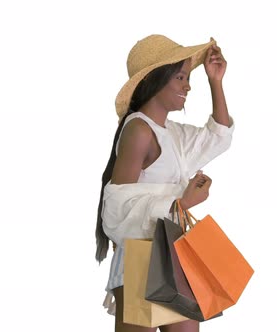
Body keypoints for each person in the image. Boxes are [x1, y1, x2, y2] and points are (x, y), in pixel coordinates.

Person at [95, 34, 234, 332]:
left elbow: (218, 136)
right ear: (157, 80)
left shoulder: (170, 132)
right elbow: (115, 212)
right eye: (181, 76)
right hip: (141, 257)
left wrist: (216, 82)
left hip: (175, 251)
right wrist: (180, 203)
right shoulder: (139, 132)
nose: (188, 85)